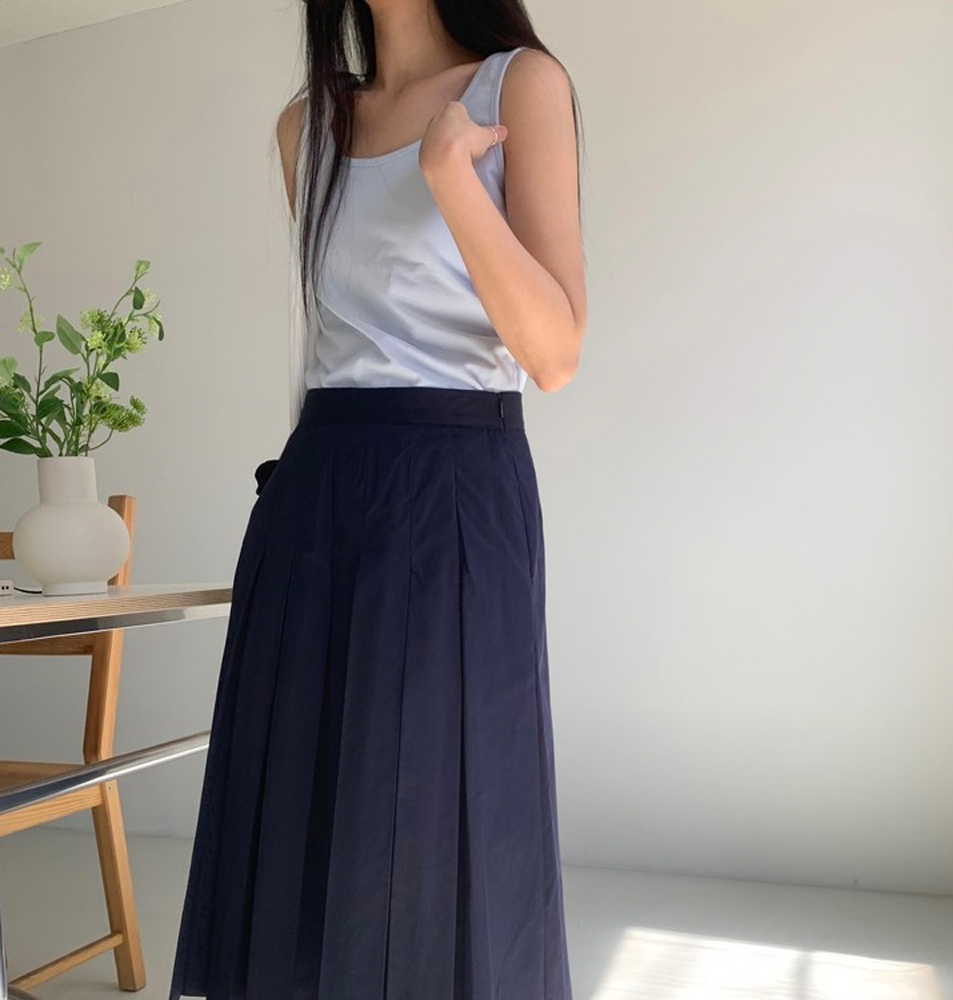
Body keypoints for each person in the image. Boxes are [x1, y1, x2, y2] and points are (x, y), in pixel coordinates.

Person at [168, 0, 586, 996]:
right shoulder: (305, 126)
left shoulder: (519, 84)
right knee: (304, 802)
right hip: (318, 488)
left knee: (440, 802)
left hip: (455, 488)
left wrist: (451, 178)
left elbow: (554, 352)